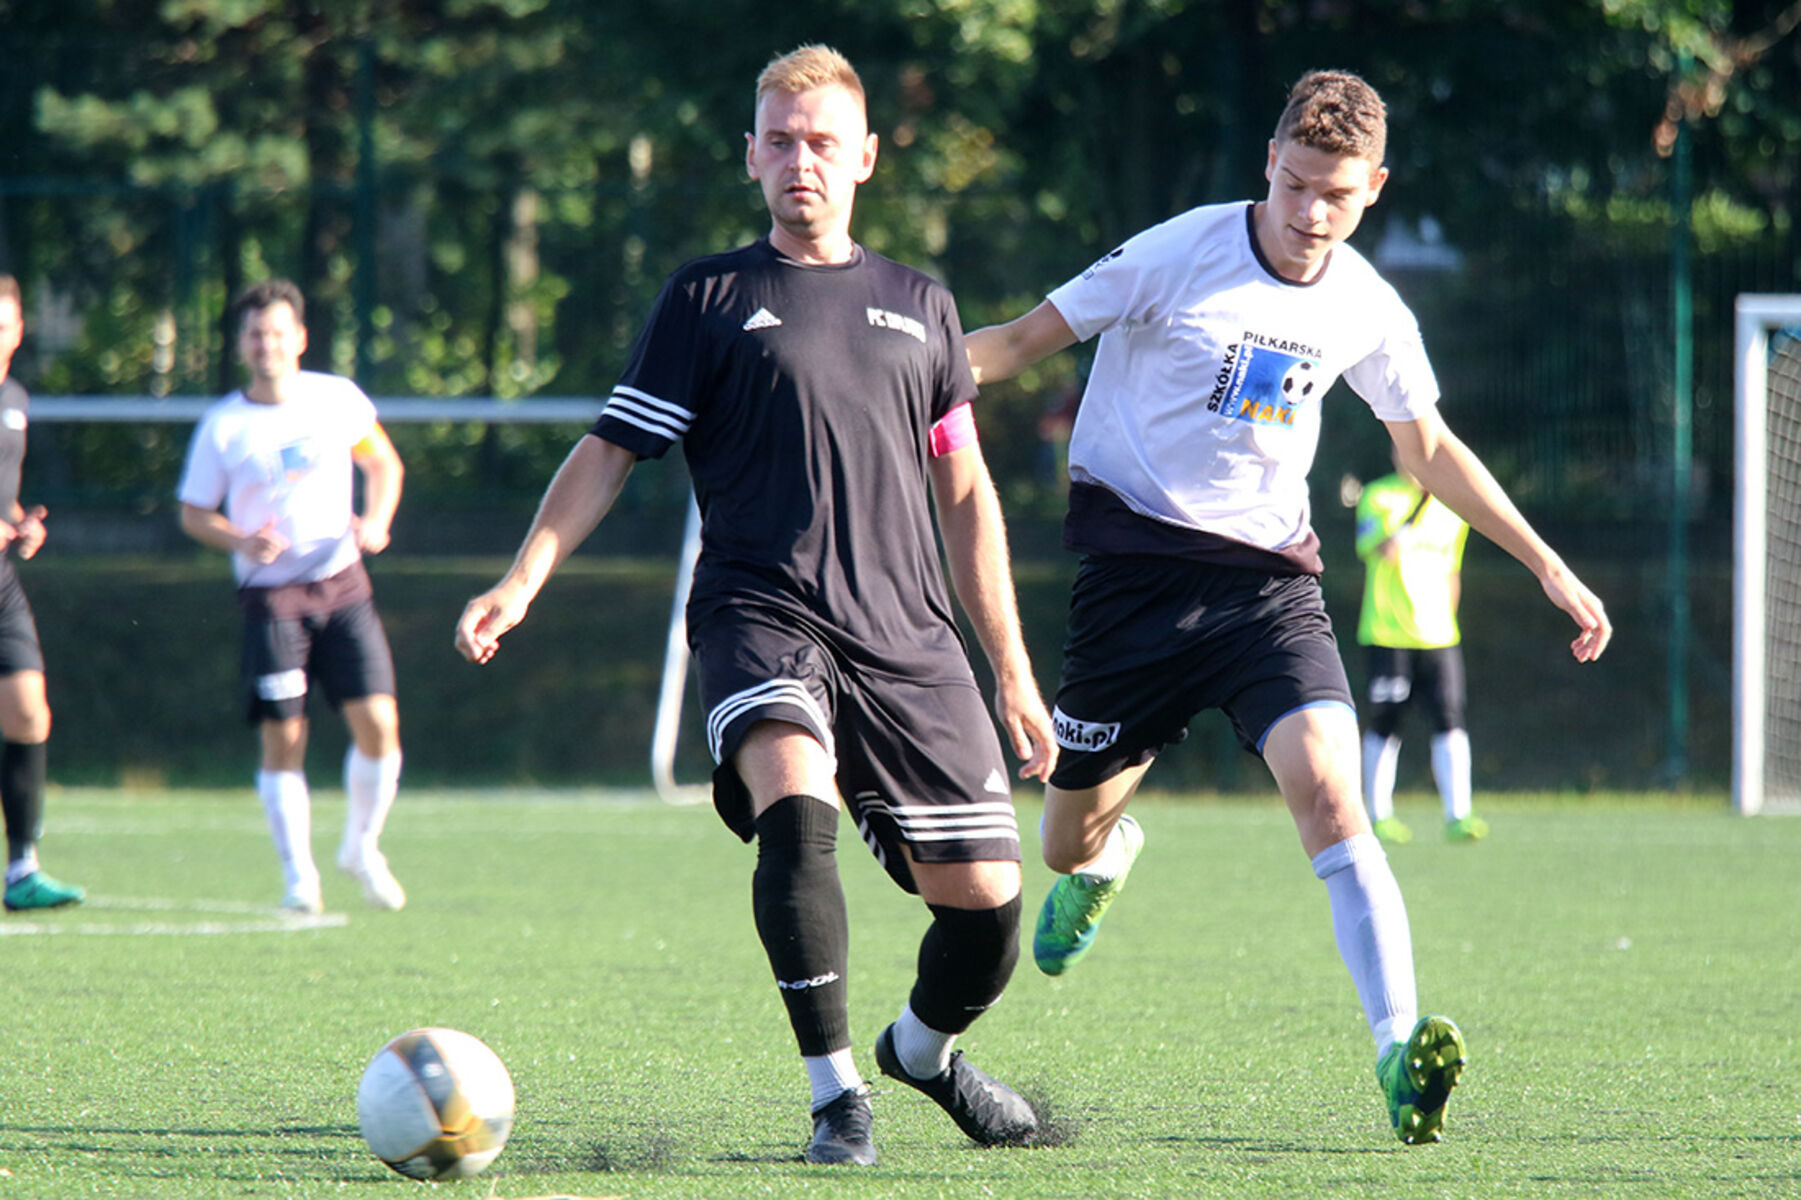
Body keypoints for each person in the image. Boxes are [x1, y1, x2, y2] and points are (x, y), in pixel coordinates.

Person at [965, 69, 1611, 1145]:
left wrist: (1544, 562)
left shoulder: (1366, 303)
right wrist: (895, 380)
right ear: (1268, 162)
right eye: (1298, 185)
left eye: (1338, 196)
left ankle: (1399, 1048)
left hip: (1267, 588)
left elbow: (1427, 448)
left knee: (1333, 799)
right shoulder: (1174, 252)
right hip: (1132, 582)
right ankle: (1113, 857)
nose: (1313, 215)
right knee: (1067, 845)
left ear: (1375, 190)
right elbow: (1023, 341)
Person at [455, 45, 1056, 1166]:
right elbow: (609, 450)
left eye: (823, 141)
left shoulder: (921, 306)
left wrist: (1013, 672)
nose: (801, 161)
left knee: (985, 912)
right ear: (749, 155)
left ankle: (919, 1053)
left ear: (866, 157)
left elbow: (966, 492)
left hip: (909, 640)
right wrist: (521, 577)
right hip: (760, 613)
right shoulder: (707, 297)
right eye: (779, 140)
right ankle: (836, 1098)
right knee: (793, 806)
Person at [177, 279, 407, 916]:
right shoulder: (224, 426)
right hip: (272, 601)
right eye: (255, 333)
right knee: (286, 737)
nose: (267, 344)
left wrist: (377, 521)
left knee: (379, 725)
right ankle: (299, 876)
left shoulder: (336, 400)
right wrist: (239, 539)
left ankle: (362, 847)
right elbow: (194, 513)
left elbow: (382, 465)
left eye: (278, 332)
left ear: (300, 338)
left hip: (343, 584)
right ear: (242, 344)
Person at [0, 275, 84, 913]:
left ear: (20, 328)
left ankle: (22, 868)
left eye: (4, 322)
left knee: (30, 712)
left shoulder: (15, 396)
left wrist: (22, 524)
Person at [1355, 457, 1487, 844]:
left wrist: (1451, 622)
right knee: (1386, 719)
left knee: (1450, 717)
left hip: (1440, 636)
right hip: (1387, 633)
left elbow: (1452, 571)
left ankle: (1458, 814)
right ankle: (1378, 815)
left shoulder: (1452, 505)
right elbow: (1377, 548)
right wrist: (1397, 536)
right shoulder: (1378, 496)